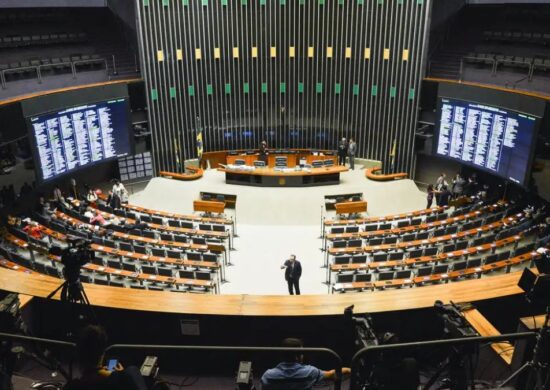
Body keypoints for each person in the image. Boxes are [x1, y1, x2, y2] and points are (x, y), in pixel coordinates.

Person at [64, 325, 148, 390]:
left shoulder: (71, 387)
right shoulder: (121, 380)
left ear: (78, 354)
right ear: (102, 353)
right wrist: (121, 375)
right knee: (132, 370)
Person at [261, 338, 351, 390]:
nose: (303, 355)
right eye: (302, 353)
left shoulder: (268, 376)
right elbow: (331, 374)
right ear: (297, 357)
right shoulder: (310, 372)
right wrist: (350, 370)